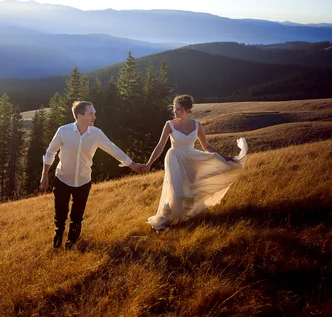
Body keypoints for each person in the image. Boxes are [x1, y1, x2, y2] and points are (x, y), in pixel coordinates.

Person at [41, 100, 144, 249]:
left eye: (94, 114)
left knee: (77, 217)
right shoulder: (63, 131)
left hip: (83, 182)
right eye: (91, 114)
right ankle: (58, 238)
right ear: (79, 115)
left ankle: (72, 245)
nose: (94, 117)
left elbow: (113, 149)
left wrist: (132, 165)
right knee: (61, 215)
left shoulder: (96, 134)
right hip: (62, 180)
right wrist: (45, 174)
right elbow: (50, 152)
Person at [141, 94, 248, 231]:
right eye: (174, 108)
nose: (175, 111)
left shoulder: (197, 125)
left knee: (190, 191)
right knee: (177, 192)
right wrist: (149, 163)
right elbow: (160, 146)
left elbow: (206, 146)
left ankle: (183, 220)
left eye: (178, 109)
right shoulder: (169, 124)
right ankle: (168, 219)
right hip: (174, 159)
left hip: (191, 159)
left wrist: (224, 158)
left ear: (186, 109)